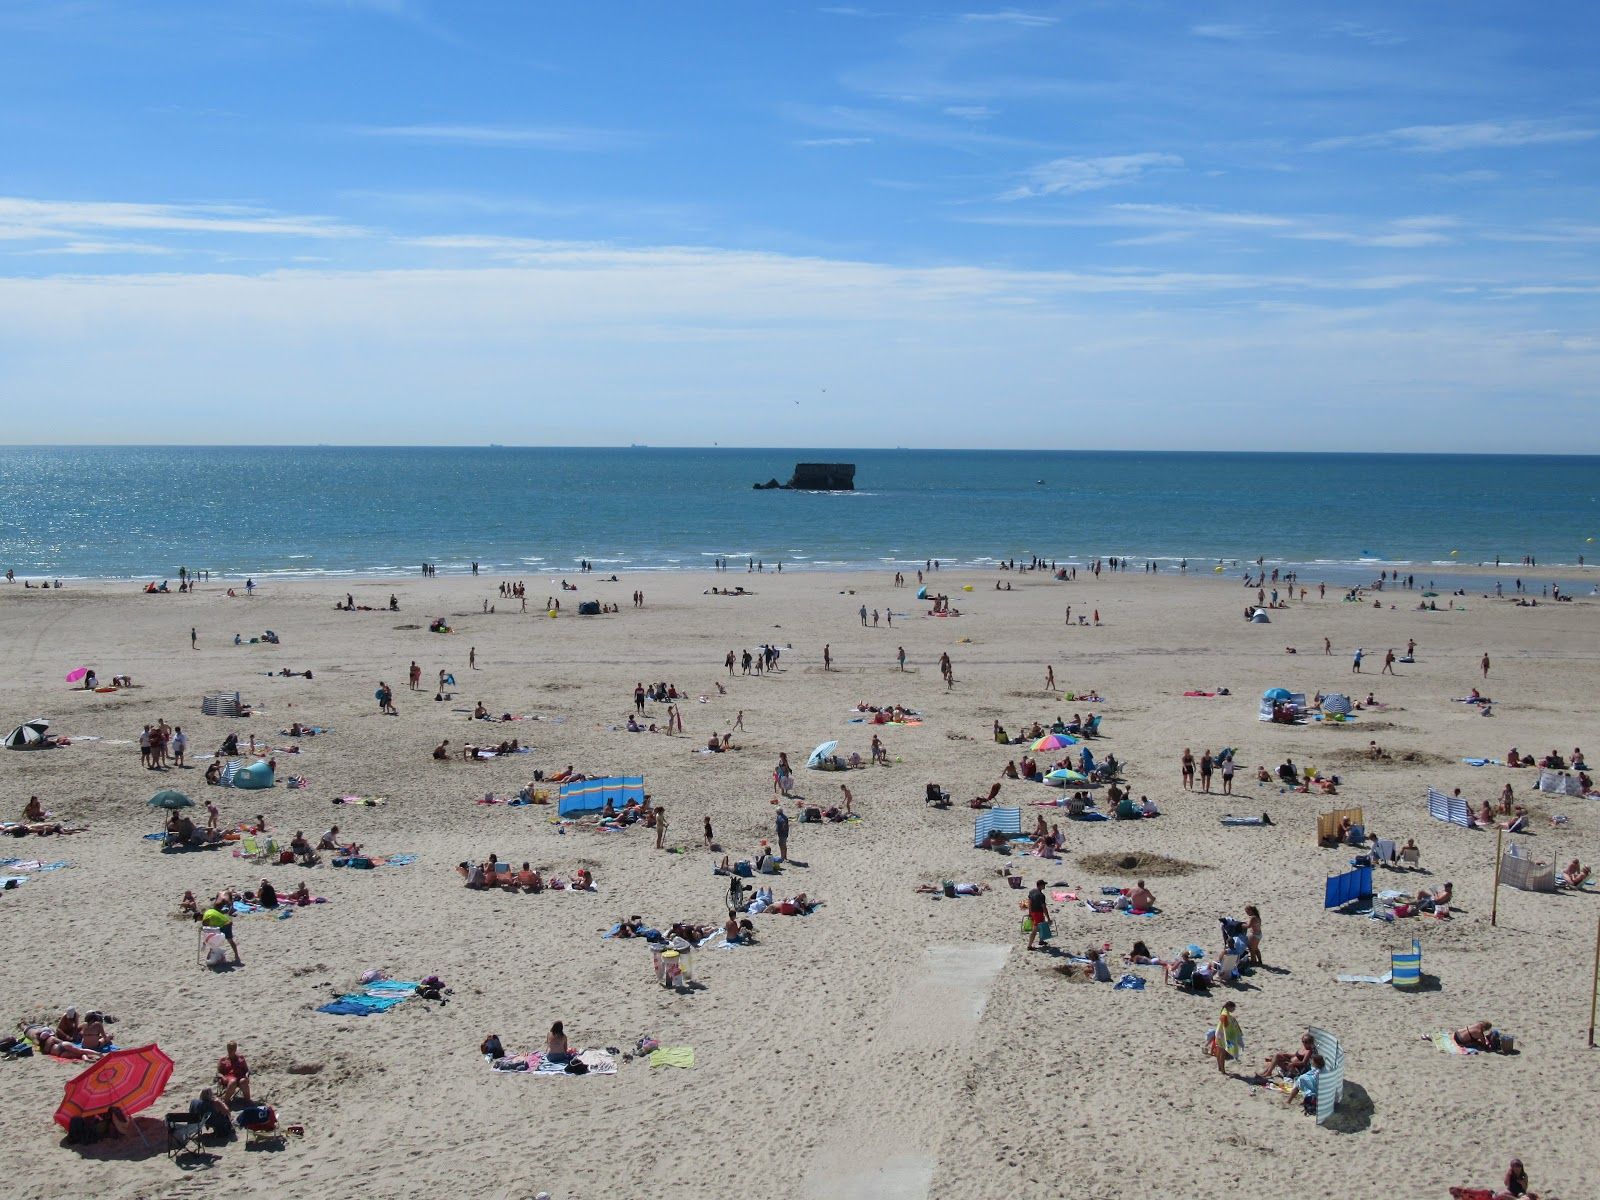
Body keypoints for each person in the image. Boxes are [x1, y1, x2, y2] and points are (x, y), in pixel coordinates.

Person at [1210, 1001, 1242, 1075]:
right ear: (1229, 1007)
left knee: (1219, 1051)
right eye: (1233, 1008)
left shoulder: (1224, 1011)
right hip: (1222, 1034)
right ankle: (1223, 1070)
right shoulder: (1225, 1014)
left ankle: (1220, 1067)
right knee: (1222, 1053)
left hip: (1219, 1033)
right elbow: (1225, 1022)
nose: (1234, 1010)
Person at [1025, 879, 1050, 951]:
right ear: (1041, 885)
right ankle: (1029, 946)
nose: (1045, 886)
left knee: (1041, 926)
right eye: (1044, 884)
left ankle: (1041, 941)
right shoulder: (1041, 896)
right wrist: (1048, 918)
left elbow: (1029, 903)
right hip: (1038, 913)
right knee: (1034, 930)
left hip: (1033, 912)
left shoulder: (1032, 891)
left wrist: (1029, 913)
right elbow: (1044, 907)